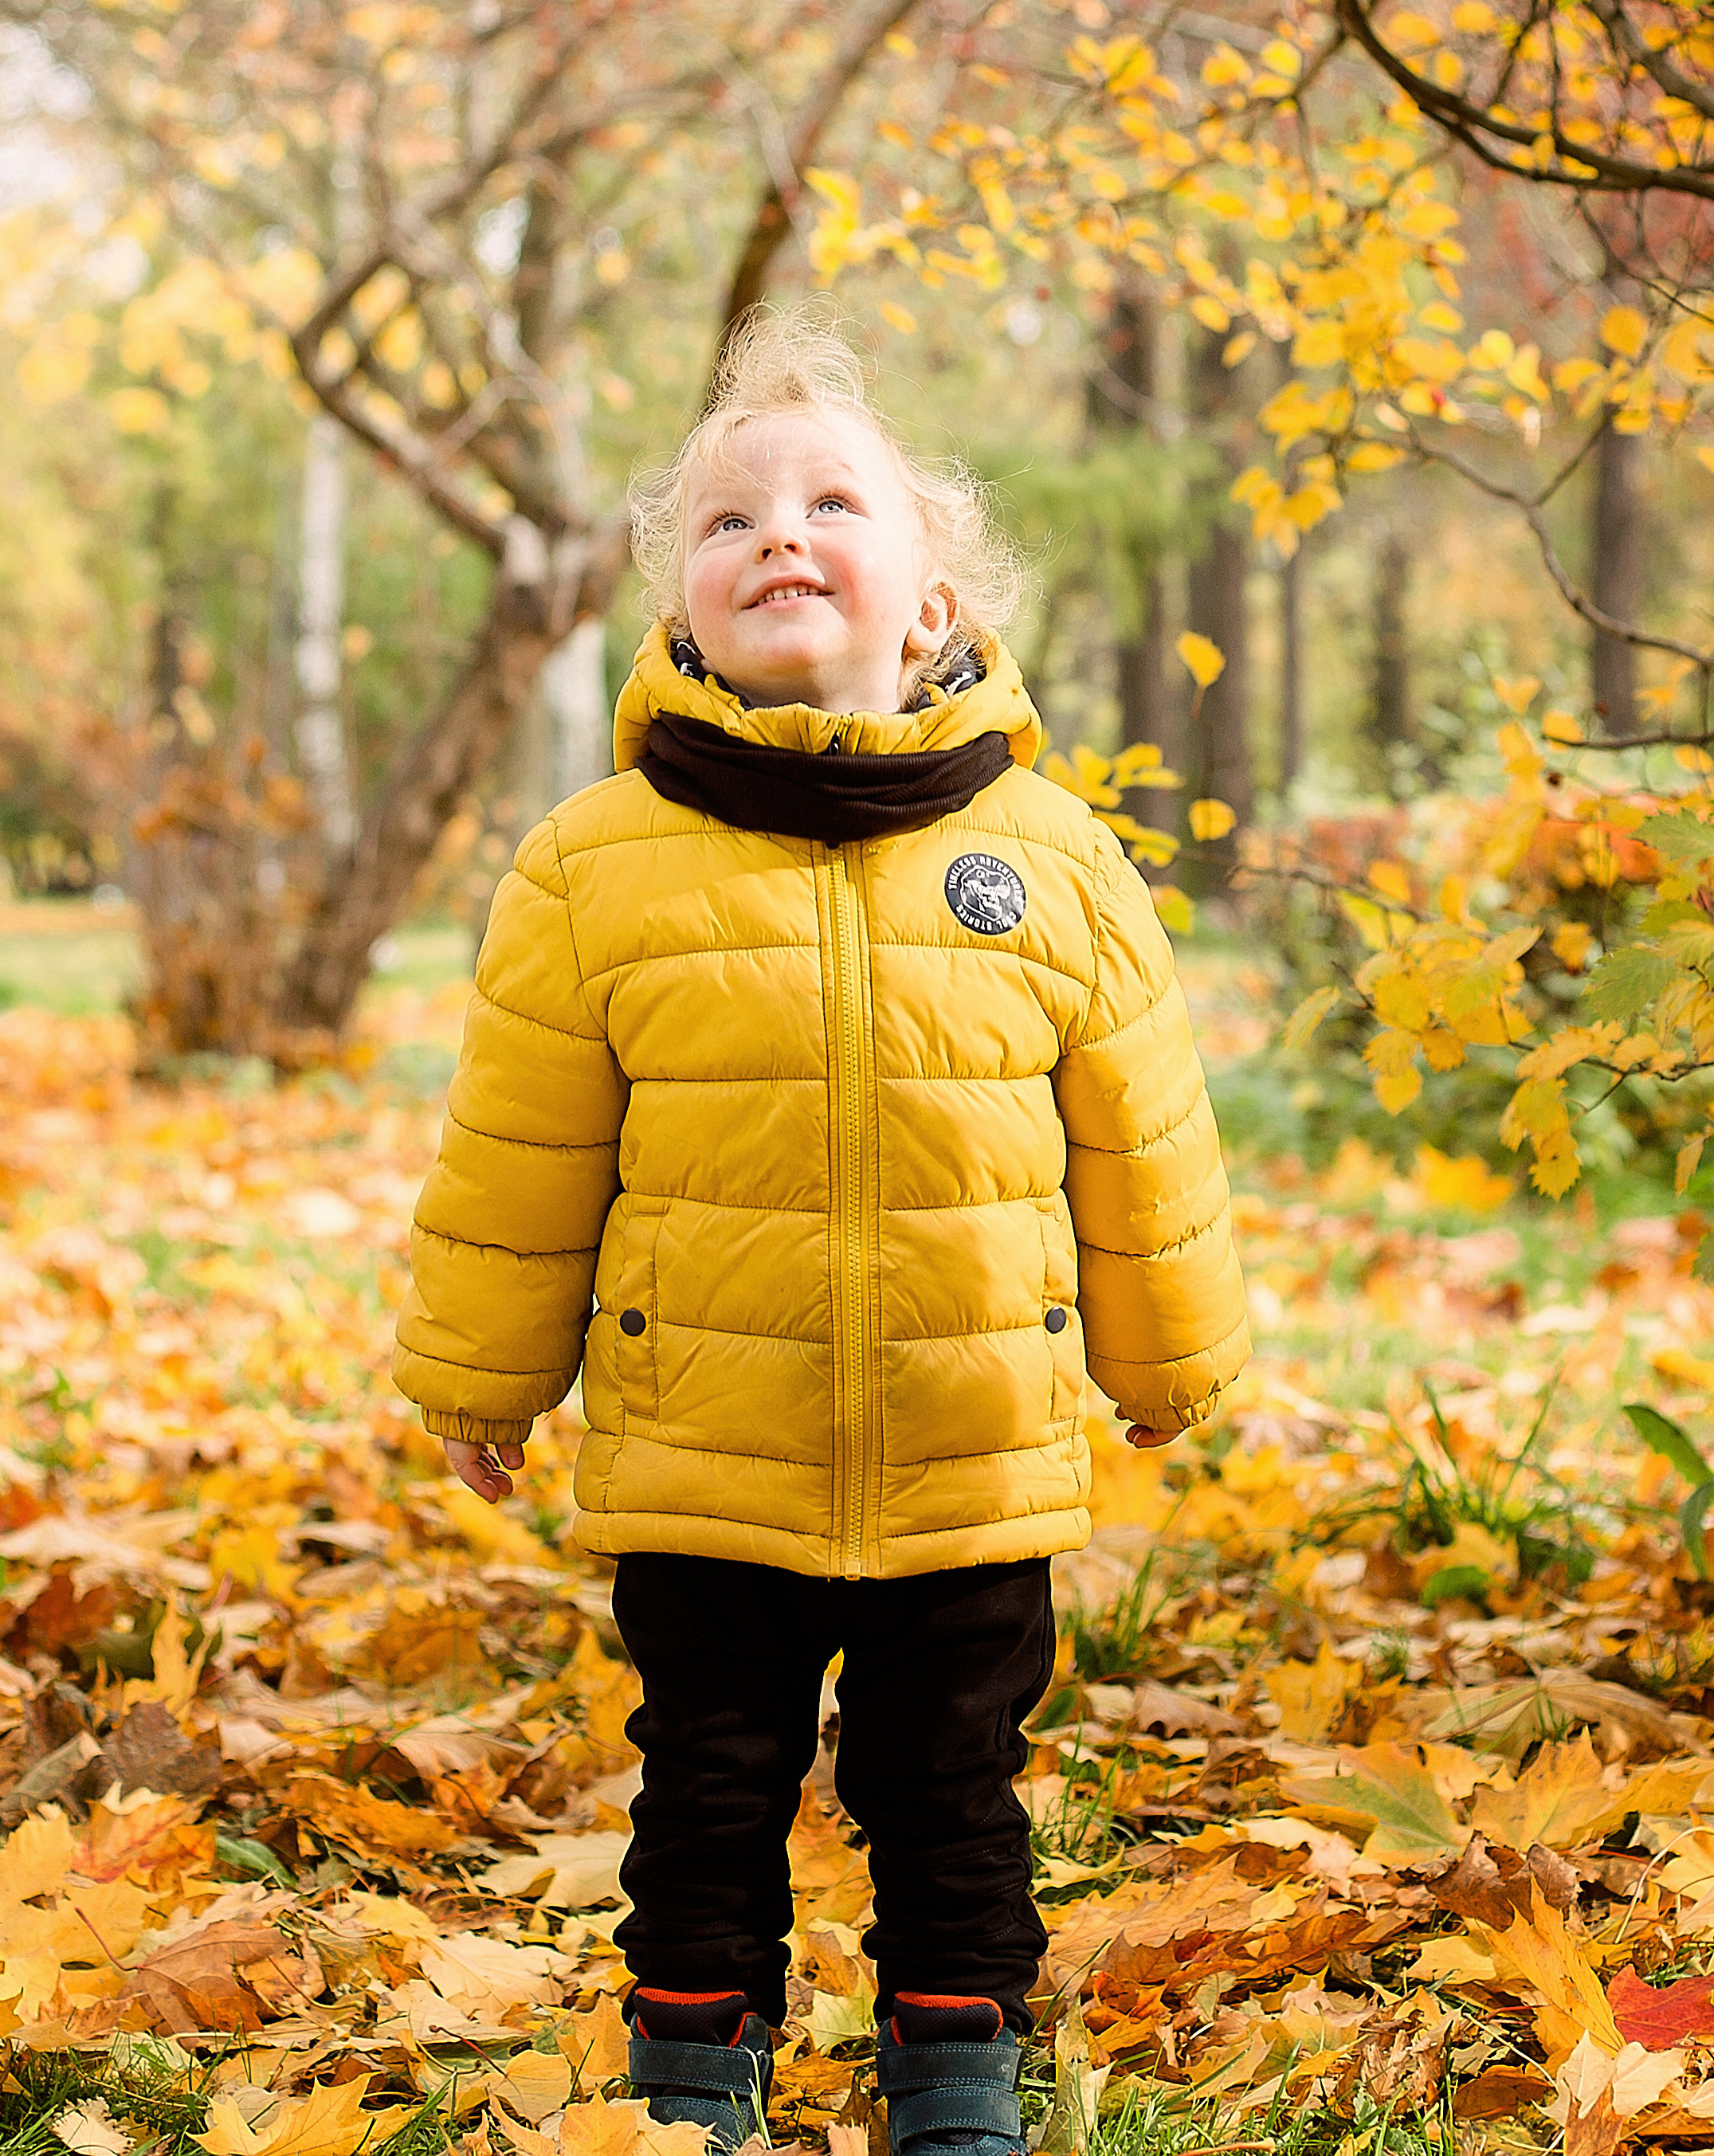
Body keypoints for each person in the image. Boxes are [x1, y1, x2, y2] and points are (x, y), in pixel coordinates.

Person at [392, 312, 1248, 2156]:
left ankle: (952, 2074)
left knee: (952, 1783)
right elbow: (521, 1154)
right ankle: (691, 2075)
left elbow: (1140, 1136)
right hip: (704, 1445)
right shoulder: (592, 865)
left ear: (929, 603)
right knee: (706, 1779)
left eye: (830, 501)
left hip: (968, 1449)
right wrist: (479, 1379)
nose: (777, 531)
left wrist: (1166, 1360)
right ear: (681, 619)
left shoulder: (1052, 855)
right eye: (725, 521)